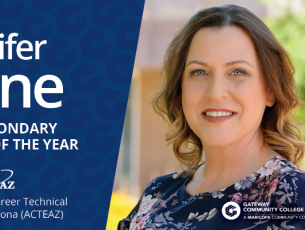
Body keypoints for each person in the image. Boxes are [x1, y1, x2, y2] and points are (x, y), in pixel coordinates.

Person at [119, 4, 305, 230]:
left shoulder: (294, 197)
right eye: (199, 72)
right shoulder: (156, 195)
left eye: (238, 72)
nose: (216, 93)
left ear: (270, 91)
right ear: (180, 89)